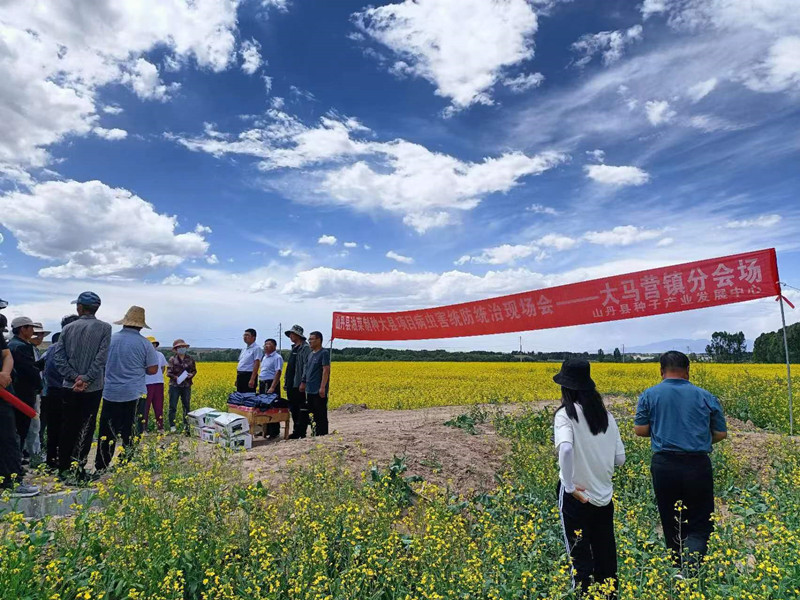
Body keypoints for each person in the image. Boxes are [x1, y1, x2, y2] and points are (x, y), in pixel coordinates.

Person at [635, 350, 727, 574]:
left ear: (661, 371)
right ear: (688, 371)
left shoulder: (649, 395)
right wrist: (699, 439)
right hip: (697, 464)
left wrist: (663, 431)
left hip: (664, 465)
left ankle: (677, 566)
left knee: (671, 517)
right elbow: (721, 433)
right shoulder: (706, 396)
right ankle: (693, 568)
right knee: (699, 517)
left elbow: (640, 430)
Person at [553, 358, 625, 598]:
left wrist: (569, 484)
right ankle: (609, 595)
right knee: (606, 554)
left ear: (566, 388)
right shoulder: (607, 417)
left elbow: (565, 449)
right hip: (604, 497)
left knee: (579, 555)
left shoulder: (565, 415)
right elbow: (620, 459)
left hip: (577, 497)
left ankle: (582, 595)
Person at [53, 291, 112, 478]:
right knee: (86, 428)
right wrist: (85, 378)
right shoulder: (105, 328)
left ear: (79, 307)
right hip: (92, 387)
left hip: (69, 386)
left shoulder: (67, 328)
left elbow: (58, 357)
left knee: (68, 426)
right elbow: (101, 358)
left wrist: (73, 377)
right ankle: (78, 470)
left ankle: (63, 468)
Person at [95, 306, 159, 471]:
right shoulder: (145, 344)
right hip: (135, 393)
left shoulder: (110, 340)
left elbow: (99, 363)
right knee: (131, 431)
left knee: (107, 431)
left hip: (110, 392)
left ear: (124, 323)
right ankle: (124, 462)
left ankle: (101, 464)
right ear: (140, 326)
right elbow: (153, 370)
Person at [0, 315, 40, 497]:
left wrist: (5, 373)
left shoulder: (9, 343)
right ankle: (11, 482)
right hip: (12, 394)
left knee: (10, 435)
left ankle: (11, 478)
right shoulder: (21, 346)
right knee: (9, 437)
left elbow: (6, 354)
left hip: (5, 392)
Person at [40, 315, 80, 470]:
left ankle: (52, 460)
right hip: (67, 392)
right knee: (68, 429)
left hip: (52, 393)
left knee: (53, 428)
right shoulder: (71, 349)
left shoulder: (52, 348)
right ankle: (66, 463)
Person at [7, 317, 42, 457]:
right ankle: (17, 459)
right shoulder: (22, 347)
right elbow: (29, 371)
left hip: (14, 392)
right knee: (22, 428)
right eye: (31, 328)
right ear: (23, 329)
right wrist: (39, 385)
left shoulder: (11, 344)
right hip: (23, 392)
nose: (33, 331)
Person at [301, 331, 331, 437]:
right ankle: (314, 432)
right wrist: (303, 382)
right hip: (309, 389)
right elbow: (307, 369)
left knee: (320, 413)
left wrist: (322, 387)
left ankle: (322, 434)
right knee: (312, 413)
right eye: (309, 339)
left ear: (319, 340)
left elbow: (325, 370)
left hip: (318, 389)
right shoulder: (310, 354)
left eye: (312, 339)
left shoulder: (324, 353)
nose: (310, 341)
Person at [284, 325, 311, 439]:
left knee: (301, 408)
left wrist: (303, 381)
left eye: (292, 334)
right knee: (293, 408)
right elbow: (290, 367)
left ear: (298, 335)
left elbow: (306, 365)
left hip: (299, 383)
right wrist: (286, 381)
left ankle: (301, 431)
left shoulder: (305, 348)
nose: (290, 336)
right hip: (291, 383)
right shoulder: (294, 348)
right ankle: (296, 430)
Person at [137, 336, 168, 434]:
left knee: (159, 406)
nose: (152, 346)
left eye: (154, 344)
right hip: (146, 383)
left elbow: (163, 368)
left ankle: (160, 427)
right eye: (150, 344)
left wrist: (157, 376)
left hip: (159, 383)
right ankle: (143, 428)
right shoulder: (142, 355)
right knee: (145, 406)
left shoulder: (160, 355)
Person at [167, 339, 196, 433]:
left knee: (186, 406)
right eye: (179, 347)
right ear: (175, 349)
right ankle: (172, 426)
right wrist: (177, 378)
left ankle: (186, 426)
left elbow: (194, 370)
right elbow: (168, 373)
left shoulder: (190, 359)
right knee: (173, 406)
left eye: (183, 347)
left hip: (186, 385)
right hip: (174, 386)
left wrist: (192, 375)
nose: (182, 348)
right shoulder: (172, 359)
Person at [258, 338, 284, 439]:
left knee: (273, 407)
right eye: (265, 344)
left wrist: (273, 387)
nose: (265, 346)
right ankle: (265, 429)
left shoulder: (277, 357)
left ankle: (274, 431)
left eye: (268, 344)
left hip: (271, 384)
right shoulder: (264, 357)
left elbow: (278, 372)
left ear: (274, 346)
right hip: (263, 383)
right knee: (264, 407)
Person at [236, 328, 263, 393]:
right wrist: (237, 378)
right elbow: (241, 363)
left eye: (247, 335)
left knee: (248, 397)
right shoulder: (244, 349)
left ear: (254, 337)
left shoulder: (257, 348)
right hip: (240, 375)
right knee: (239, 396)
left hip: (248, 375)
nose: (245, 337)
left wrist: (252, 379)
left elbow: (256, 363)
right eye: (244, 335)